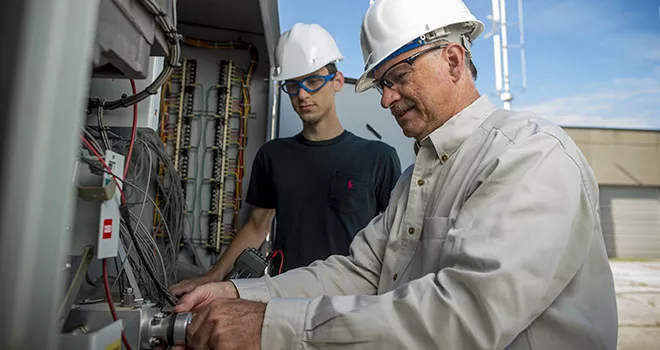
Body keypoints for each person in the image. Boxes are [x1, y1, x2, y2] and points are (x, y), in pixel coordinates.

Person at [171, 0, 618, 349]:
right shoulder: (417, 176)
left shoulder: (529, 155)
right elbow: (362, 274)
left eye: (398, 77)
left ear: (453, 61)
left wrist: (269, 329)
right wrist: (241, 294)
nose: (386, 100)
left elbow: (466, 317)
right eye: (382, 84)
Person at [170, 23, 401, 295]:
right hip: (286, 299)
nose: (302, 94)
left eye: (313, 81)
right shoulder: (273, 155)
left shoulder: (378, 158)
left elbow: (394, 241)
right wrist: (213, 276)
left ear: (337, 82)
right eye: (292, 85)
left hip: (352, 301)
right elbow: (257, 227)